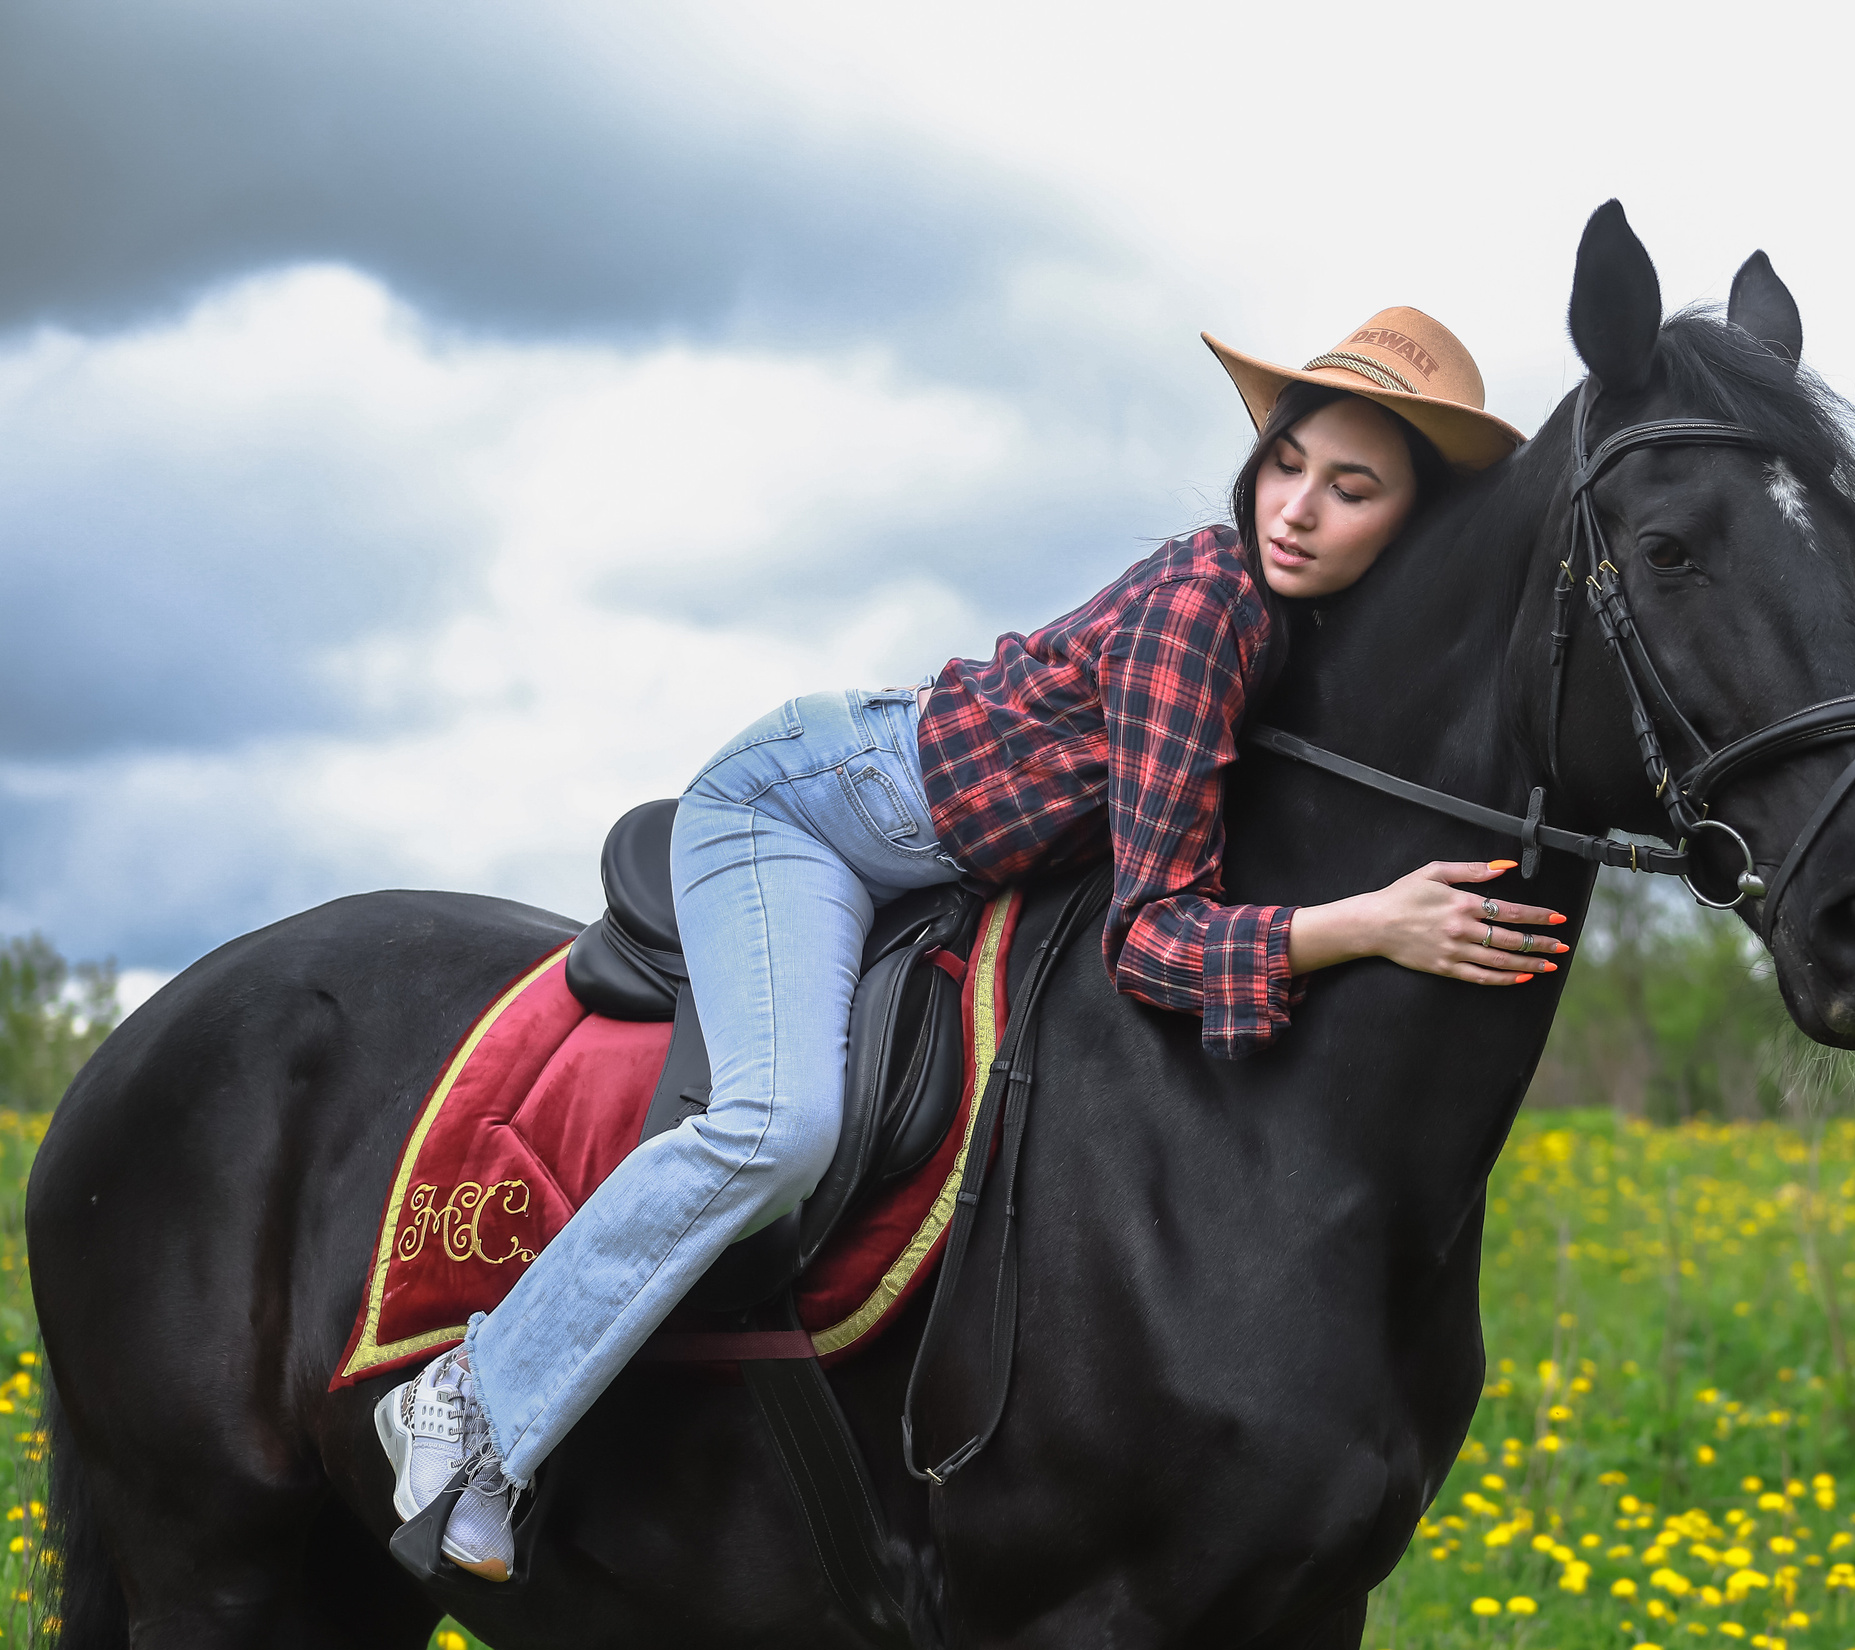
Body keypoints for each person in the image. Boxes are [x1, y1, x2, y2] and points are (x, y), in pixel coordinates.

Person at [376, 307, 1570, 1580]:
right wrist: (1372, 922)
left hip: (933, 837)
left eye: (1350, 489)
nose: (1296, 509)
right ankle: (471, 1401)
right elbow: (1156, 939)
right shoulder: (1211, 605)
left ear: (1405, 520)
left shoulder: (1302, 634)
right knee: (777, 1126)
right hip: (801, 809)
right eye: (1287, 464)